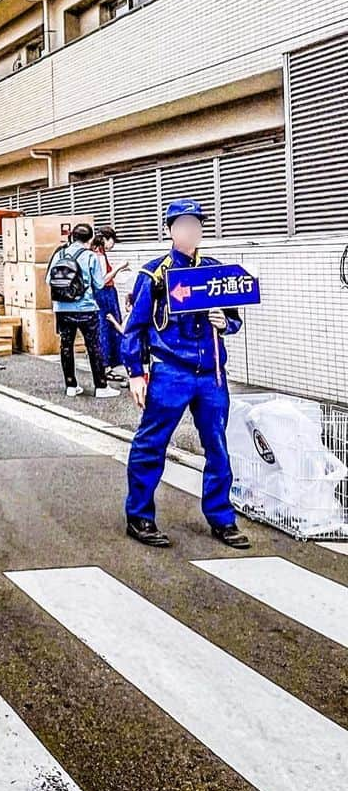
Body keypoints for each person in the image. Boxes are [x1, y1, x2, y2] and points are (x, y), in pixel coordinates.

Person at [121, 199, 250, 549]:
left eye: (196, 225)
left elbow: (234, 317)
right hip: (170, 373)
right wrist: (135, 372)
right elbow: (135, 328)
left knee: (218, 447)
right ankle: (140, 515)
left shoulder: (216, 272)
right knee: (151, 444)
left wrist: (227, 323)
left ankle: (222, 518)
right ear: (169, 230)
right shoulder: (154, 275)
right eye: (183, 225)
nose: (190, 231)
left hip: (211, 375)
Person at [48, 223, 120, 399]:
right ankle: (101, 386)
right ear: (90, 239)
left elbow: (49, 279)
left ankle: (71, 386)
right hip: (86, 308)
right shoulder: (90, 256)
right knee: (94, 345)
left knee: (66, 345)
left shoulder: (60, 253)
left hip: (62, 308)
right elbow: (99, 284)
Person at [90, 227, 129, 382]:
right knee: (107, 328)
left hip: (102, 294)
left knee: (105, 327)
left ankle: (106, 366)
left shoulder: (95, 253)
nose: (113, 245)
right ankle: (106, 366)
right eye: (112, 241)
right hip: (104, 294)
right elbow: (103, 280)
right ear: (106, 239)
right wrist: (119, 267)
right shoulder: (98, 255)